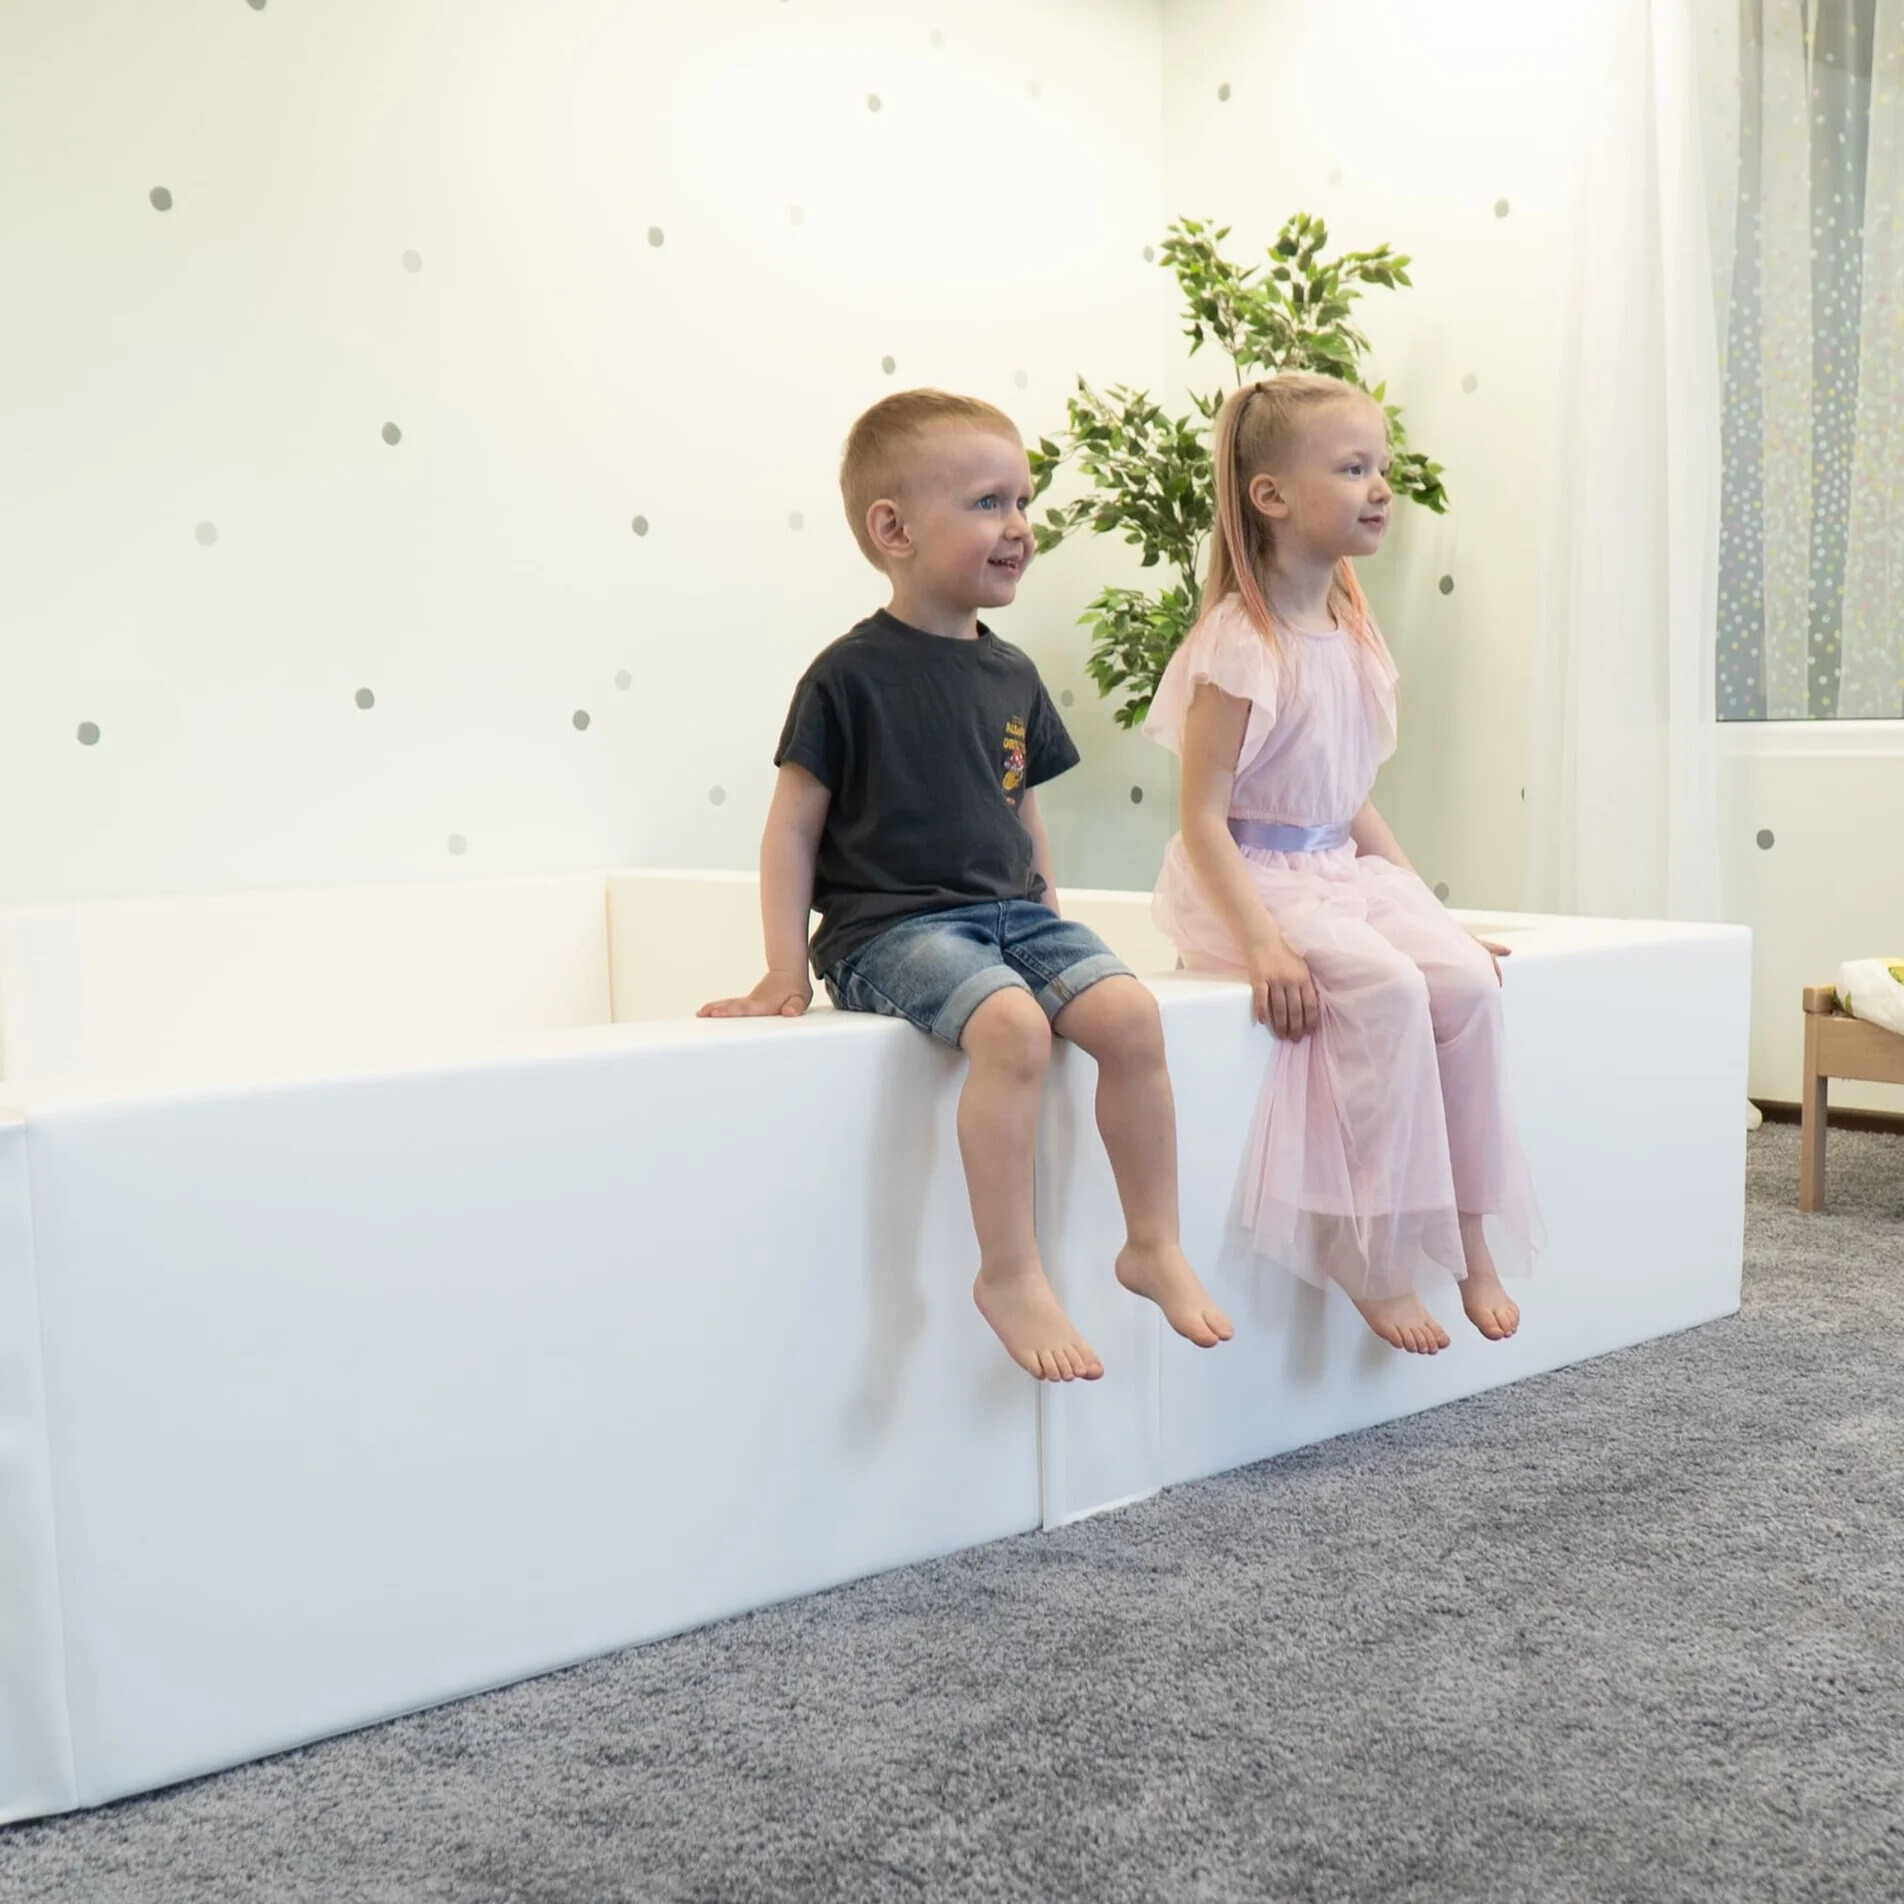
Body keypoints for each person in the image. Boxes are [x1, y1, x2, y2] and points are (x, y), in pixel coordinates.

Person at [699, 389, 1232, 1381]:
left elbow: (1019, 810)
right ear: (893, 529)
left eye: (1022, 501)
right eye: (989, 502)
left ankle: (1150, 1242)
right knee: (1014, 1029)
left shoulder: (1012, 673)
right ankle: (1009, 1271)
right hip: (888, 929)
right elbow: (792, 827)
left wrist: (1052, 928)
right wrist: (783, 969)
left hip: (1009, 919)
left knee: (1129, 1016)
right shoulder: (847, 676)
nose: (1019, 525)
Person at [1145, 374, 1542, 1355]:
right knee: (1387, 989)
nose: (1380, 488)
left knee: (1463, 983)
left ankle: (1465, 1232)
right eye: (1353, 467)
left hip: (1334, 868)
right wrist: (1260, 943)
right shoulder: (1238, 645)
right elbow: (1201, 818)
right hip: (1248, 878)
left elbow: (1346, 799)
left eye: (1381, 468)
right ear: (1271, 495)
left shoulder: (1351, 630)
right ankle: (1368, 1248)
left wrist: (1431, 918)